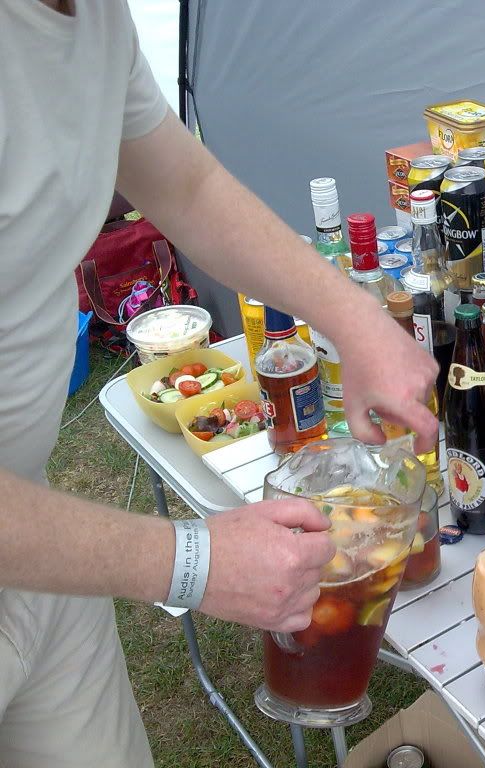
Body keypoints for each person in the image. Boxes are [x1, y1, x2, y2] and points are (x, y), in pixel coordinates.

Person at [0, 1, 439, 766]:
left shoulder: (95, 18)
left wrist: (357, 320)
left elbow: (186, 186)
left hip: (39, 544)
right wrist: (191, 562)